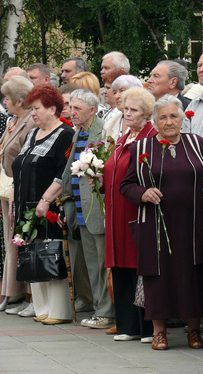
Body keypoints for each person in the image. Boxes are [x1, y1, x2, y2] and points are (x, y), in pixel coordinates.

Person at [120, 95, 203, 351]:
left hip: (192, 225)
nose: (169, 122)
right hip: (156, 225)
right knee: (158, 278)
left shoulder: (199, 145)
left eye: (173, 116)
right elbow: (126, 186)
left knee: (193, 276)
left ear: (182, 118)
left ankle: (194, 330)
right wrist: (143, 193)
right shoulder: (140, 148)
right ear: (155, 120)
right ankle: (159, 333)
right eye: (163, 117)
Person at [93, 88, 156, 342]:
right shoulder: (122, 138)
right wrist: (100, 179)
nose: (127, 113)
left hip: (136, 211)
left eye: (134, 110)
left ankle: (148, 327)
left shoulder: (150, 137)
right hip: (115, 211)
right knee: (119, 265)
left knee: (139, 266)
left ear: (147, 113)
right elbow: (114, 170)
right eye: (126, 109)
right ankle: (127, 325)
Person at [11, 84, 74, 324]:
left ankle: (59, 310)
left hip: (49, 207)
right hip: (26, 205)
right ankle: (42, 309)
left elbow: (63, 172)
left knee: (51, 254)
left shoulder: (65, 134)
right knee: (32, 255)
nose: (33, 113)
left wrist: (46, 199)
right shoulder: (32, 134)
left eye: (36, 108)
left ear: (52, 108)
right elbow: (20, 168)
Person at [61, 89, 115, 329]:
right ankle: (98, 308)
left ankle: (107, 312)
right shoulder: (78, 133)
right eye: (71, 108)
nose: (72, 113)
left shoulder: (101, 131)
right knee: (92, 263)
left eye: (78, 109)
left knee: (103, 262)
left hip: (97, 206)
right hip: (81, 207)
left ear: (92, 110)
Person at [0, 76, 35, 313]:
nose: (4, 101)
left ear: (20, 101)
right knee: (11, 243)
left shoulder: (30, 121)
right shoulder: (14, 120)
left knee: (24, 240)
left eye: (8, 98)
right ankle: (13, 292)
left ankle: (30, 296)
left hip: (19, 187)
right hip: (6, 188)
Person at [103, 75, 144, 141]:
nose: (116, 96)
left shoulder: (151, 122)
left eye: (122, 90)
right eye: (114, 92)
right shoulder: (109, 125)